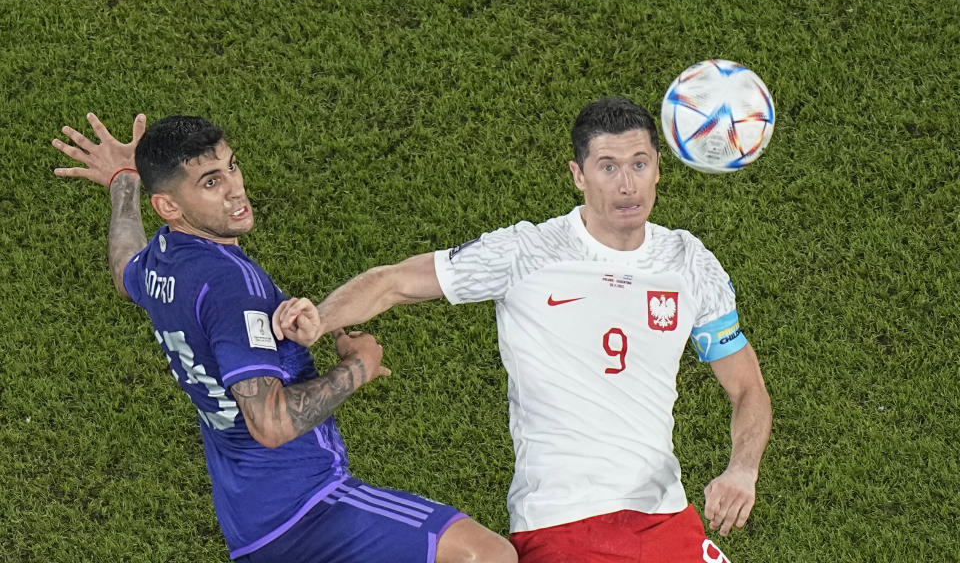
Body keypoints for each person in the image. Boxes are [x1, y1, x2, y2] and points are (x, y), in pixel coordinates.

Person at [272, 97, 773, 563]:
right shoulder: (525, 252)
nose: (627, 185)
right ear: (578, 175)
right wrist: (321, 319)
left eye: (639, 164)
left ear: (659, 169)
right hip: (563, 521)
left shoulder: (687, 261)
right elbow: (395, 282)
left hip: (665, 516)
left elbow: (746, 386)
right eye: (608, 167)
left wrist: (742, 469)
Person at [51, 113, 516, 563]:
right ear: (170, 206)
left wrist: (124, 181)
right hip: (306, 507)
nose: (236, 189)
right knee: (485, 554)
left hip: (248, 517)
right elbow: (270, 423)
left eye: (231, 166)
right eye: (211, 183)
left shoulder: (162, 261)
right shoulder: (230, 285)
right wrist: (359, 366)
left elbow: (122, 268)